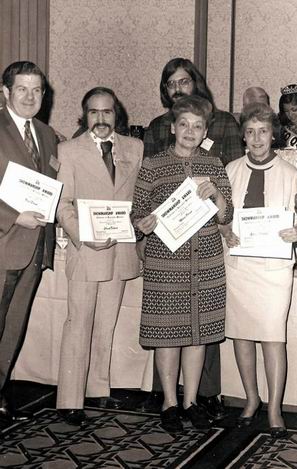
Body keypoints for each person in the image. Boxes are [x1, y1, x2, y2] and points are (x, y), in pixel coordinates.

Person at [141, 58, 240, 419]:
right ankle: (169, 401)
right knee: (169, 333)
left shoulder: (215, 165)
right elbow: (137, 213)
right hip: (166, 260)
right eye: (183, 124)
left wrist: (216, 195)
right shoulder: (152, 165)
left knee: (199, 333)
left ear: (204, 130)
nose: (190, 131)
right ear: (173, 127)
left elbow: (227, 214)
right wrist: (145, 222)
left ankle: (191, 401)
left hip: (206, 259)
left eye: (197, 126)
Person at [55, 87, 143, 426]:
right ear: (85, 115)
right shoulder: (69, 150)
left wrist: (139, 222)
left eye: (107, 112)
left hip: (120, 251)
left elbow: (138, 198)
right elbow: (62, 204)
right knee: (78, 324)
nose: (101, 119)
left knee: (106, 325)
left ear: (116, 114)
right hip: (86, 251)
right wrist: (84, 235)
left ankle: (96, 389)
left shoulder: (134, 147)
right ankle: (70, 400)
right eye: (94, 112)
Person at [221, 102, 297, 439]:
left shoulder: (290, 172)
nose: (257, 138)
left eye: (264, 131)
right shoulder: (230, 170)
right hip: (240, 265)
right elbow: (220, 218)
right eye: (251, 131)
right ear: (243, 135)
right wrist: (224, 230)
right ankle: (252, 399)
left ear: (274, 135)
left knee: (273, 337)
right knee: (241, 334)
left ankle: (274, 407)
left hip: (273, 269)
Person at [0, 61, 58, 429]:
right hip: (4, 242)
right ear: (4, 92)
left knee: (14, 327)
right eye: (22, 89)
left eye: (37, 90)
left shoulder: (48, 134)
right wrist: (11, 217)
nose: (30, 96)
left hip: (34, 249)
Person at [144, 57, 244, 169]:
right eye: (171, 84)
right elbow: (148, 176)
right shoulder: (156, 127)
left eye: (184, 82)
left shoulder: (225, 122)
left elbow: (237, 172)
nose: (177, 89)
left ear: (196, 84)